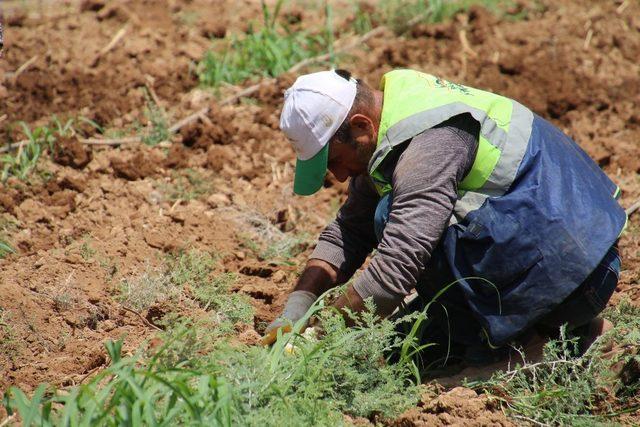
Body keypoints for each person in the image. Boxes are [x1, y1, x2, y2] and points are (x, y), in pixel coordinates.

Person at [263, 68, 626, 366]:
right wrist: (297, 309)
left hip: (578, 273)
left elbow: (396, 269)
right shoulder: (392, 120)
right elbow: (348, 230)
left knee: (390, 216)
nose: (340, 177)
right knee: (404, 345)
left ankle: (522, 349)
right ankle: (572, 338)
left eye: (336, 162)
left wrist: (319, 338)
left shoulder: (428, 145)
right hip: (561, 253)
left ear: (360, 127)